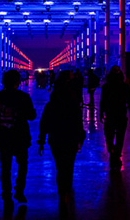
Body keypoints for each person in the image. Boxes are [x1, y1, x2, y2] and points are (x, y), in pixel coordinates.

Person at [38, 70, 86, 219]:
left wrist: (41, 140)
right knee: (69, 165)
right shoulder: (73, 106)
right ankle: (67, 190)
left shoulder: (51, 105)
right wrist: (80, 139)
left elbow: (44, 123)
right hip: (71, 138)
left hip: (56, 139)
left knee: (59, 167)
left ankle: (61, 193)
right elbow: (79, 124)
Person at [0, 70, 37, 213]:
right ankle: (19, 191)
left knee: (5, 167)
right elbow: (32, 116)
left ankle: (6, 193)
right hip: (20, 137)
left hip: (3, 137)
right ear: (18, 81)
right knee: (22, 165)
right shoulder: (23, 97)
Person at [99, 65, 130, 171]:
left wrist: (101, 113)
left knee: (109, 137)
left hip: (110, 115)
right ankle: (116, 156)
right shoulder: (125, 87)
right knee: (120, 137)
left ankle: (112, 152)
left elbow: (102, 101)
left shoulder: (106, 87)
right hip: (121, 115)